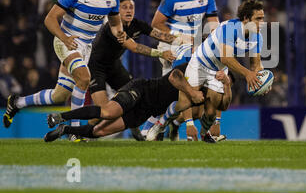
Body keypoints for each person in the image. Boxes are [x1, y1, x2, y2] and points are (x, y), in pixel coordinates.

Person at [3, 0, 126, 142]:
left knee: (59, 94)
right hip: (66, 42)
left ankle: (17, 102)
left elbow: (116, 24)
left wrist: (119, 34)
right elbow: (50, 19)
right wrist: (64, 38)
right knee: (84, 78)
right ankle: (74, 131)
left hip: (85, 48)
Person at [146, 0, 270, 143]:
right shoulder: (230, 28)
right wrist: (248, 74)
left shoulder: (258, 37)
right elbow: (226, 58)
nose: (262, 22)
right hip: (200, 62)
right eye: (258, 19)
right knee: (185, 103)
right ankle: (160, 124)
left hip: (217, 70)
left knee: (212, 110)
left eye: (263, 18)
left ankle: (204, 135)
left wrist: (262, 80)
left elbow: (255, 65)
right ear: (246, 18)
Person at [142, 0, 221, 137]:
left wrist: (210, 41)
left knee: (178, 92)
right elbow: (156, 24)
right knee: (170, 90)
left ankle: (167, 125)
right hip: (171, 43)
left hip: (194, 46)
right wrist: (179, 36)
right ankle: (151, 127)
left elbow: (214, 25)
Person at [87, 0, 178, 140]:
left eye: (131, 7)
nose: (129, 10)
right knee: (104, 111)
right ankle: (77, 131)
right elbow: (135, 48)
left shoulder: (137, 24)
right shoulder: (114, 27)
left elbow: (160, 35)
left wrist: (184, 39)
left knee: (133, 100)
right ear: (117, 11)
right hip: (96, 67)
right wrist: (162, 53)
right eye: (124, 7)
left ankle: (135, 132)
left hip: (114, 66)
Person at [43, 63, 206, 142]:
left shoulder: (208, 84)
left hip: (144, 112)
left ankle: (66, 129)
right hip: (142, 90)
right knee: (108, 112)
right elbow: (174, 76)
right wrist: (192, 93)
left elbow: (182, 106)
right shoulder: (191, 66)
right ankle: (60, 117)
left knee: (99, 131)